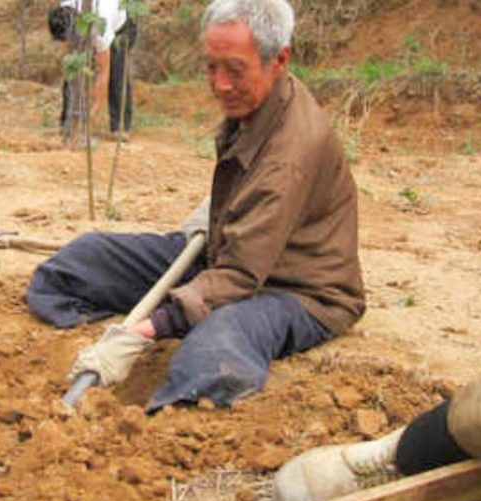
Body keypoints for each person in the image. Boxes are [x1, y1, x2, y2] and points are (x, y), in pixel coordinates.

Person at [29, 0, 365, 412]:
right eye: (211, 67)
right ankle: (78, 308)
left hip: (298, 289)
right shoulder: (258, 103)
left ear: (279, 59)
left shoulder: (291, 153)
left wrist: (146, 330)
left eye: (235, 70)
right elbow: (237, 253)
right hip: (229, 256)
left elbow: (241, 274)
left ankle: (180, 416)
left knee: (215, 346)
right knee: (85, 258)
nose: (220, 84)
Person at [48, 0, 137, 136]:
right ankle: (68, 120)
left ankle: (120, 126)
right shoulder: (65, 11)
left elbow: (103, 72)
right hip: (90, 20)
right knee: (73, 66)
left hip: (122, 22)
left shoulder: (100, 25)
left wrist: (95, 109)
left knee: (116, 69)